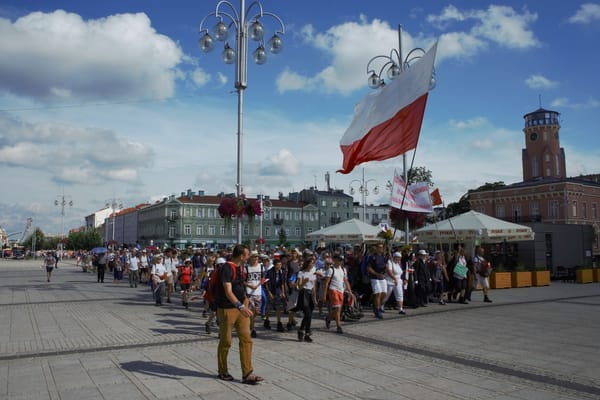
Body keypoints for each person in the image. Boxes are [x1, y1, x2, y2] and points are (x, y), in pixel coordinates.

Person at [216, 244, 263, 385]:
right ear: (242, 256)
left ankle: (248, 373)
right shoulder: (226, 268)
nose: (249, 257)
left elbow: (240, 285)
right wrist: (240, 305)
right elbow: (227, 291)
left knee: (246, 339)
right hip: (227, 309)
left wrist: (246, 299)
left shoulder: (241, 267)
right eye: (247, 255)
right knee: (226, 341)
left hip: (242, 307)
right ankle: (222, 371)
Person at [321, 253, 352, 334]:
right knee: (337, 309)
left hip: (341, 291)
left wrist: (350, 291)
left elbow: (345, 281)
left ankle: (328, 317)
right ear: (334, 260)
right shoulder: (331, 270)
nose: (340, 262)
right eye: (339, 260)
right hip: (333, 290)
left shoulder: (343, 270)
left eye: (341, 260)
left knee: (338, 310)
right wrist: (324, 295)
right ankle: (339, 326)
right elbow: (326, 283)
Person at [295, 257, 318, 342]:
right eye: (311, 263)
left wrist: (315, 298)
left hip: (310, 294)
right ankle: (304, 331)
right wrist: (305, 281)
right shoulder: (301, 273)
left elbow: (314, 287)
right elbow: (299, 286)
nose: (312, 264)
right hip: (303, 293)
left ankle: (304, 332)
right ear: (307, 264)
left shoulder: (313, 273)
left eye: (313, 263)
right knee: (308, 314)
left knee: (309, 315)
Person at [244, 251, 265, 338]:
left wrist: (259, 284)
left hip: (258, 292)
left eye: (257, 257)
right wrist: (249, 285)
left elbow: (263, 278)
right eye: (254, 257)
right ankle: (253, 328)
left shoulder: (261, 266)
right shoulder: (246, 268)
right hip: (249, 293)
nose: (256, 258)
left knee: (256, 311)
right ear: (250, 258)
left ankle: (251, 324)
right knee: (251, 311)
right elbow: (243, 281)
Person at [264, 258, 287, 332]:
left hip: (277, 290)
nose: (279, 266)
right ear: (274, 265)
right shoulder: (269, 272)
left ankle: (279, 323)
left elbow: (282, 283)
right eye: (278, 265)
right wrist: (269, 293)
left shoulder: (281, 272)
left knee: (278, 307)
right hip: (270, 290)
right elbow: (266, 284)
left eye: (280, 264)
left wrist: (283, 292)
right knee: (268, 307)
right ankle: (266, 320)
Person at [366, 243, 388, 319]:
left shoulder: (384, 257)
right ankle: (377, 311)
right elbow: (368, 268)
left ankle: (375, 305)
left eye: (382, 247)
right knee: (378, 294)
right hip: (374, 278)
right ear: (376, 248)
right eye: (379, 247)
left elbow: (386, 266)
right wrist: (376, 274)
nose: (380, 248)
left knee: (384, 294)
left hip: (382, 277)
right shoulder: (372, 257)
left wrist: (384, 272)